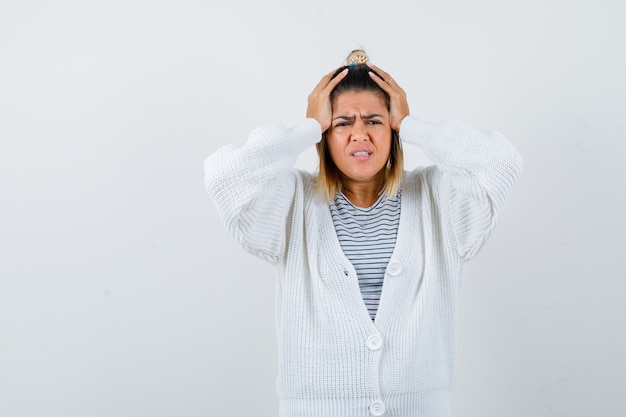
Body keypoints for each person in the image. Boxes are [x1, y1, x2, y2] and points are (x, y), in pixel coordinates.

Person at [204, 50, 523, 417]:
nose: (360, 134)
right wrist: (306, 128)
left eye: (374, 120)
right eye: (342, 123)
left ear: (393, 129)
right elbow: (223, 177)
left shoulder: (439, 200)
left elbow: (503, 164)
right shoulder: (292, 203)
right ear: (325, 133)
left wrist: (414, 125)